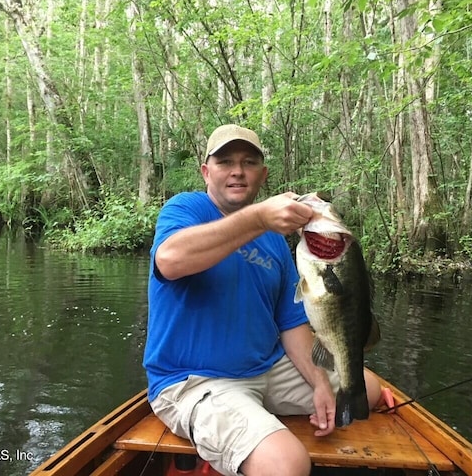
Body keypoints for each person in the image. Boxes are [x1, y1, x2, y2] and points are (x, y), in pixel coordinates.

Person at [143, 124, 381, 476]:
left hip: (266, 370)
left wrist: (318, 385)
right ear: (206, 172)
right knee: (287, 464)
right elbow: (171, 260)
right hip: (194, 380)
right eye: (225, 162)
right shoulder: (185, 209)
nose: (237, 171)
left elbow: (292, 326)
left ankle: (255, 424)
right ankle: (247, 442)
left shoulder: (276, 243)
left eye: (249, 162)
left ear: (262, 174)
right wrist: (258, 218)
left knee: (368, 388)